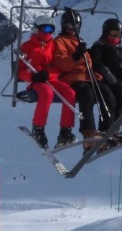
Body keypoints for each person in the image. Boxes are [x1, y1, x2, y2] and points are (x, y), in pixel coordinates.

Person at [53, 9, 120, 150]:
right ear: (63, 26)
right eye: (69, 26)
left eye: (76, 26)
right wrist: (76, 56)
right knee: (87, 94)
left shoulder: (79, 41)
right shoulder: (59, 41)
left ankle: (107, 130)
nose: (72, 29)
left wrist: (98, 73)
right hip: (72, 78)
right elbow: (62, 64)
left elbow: (88, 63)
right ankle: (88, 132)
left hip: (88, 77)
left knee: (106, 92)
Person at [17, 15, 77, 149]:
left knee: (70, 92)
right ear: (37, 29)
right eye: (46, 28)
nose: (48, 32)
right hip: (36, 81)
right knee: (47, 93)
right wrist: (32, 77)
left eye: (51, 29)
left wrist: (49, 74)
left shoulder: (54, 45)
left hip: (51, 79)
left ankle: (65, 131)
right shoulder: (27, 46)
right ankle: (38, 128)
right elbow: (20, 71)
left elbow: (57, 66)